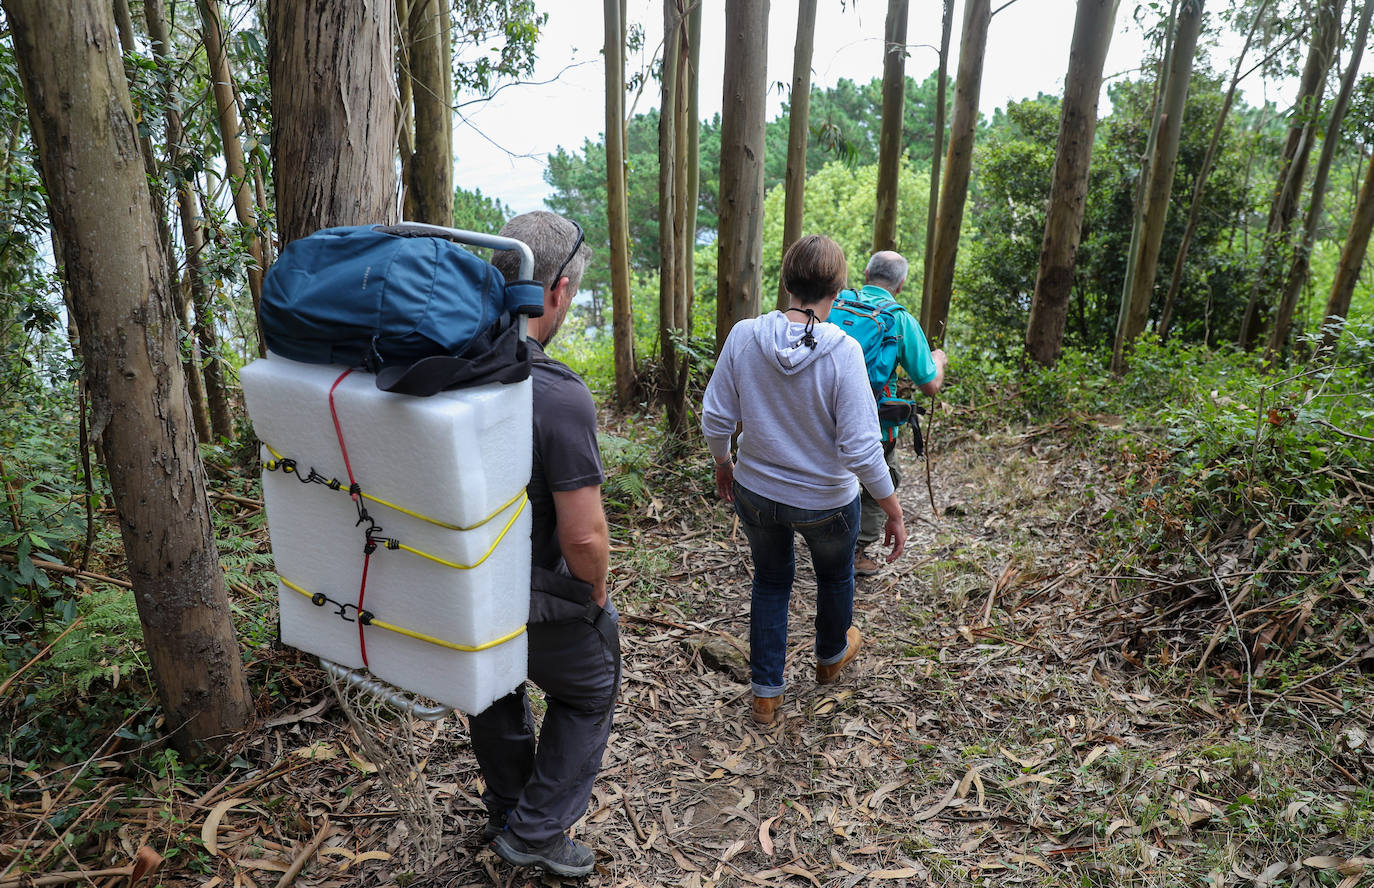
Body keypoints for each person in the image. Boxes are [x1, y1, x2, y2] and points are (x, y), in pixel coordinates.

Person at [701, 235, 906, 727]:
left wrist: (723, 462)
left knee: (771, 582)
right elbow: (860, 448)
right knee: (835, 575)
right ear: (839, 288)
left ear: (787, 282)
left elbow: (715, 417)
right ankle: (831, 657)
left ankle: (766, 696)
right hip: (827, 503)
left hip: (757, 492)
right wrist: (893, 509)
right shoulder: (843, 350)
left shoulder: (744, 336)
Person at [472, 211, 619, 878]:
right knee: (591, 684)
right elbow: (583, 534)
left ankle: (507, 806)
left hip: (446, 585)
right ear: (555, 291)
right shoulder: (556, 395)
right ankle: (533, 830)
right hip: (522, 590)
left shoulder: (437, 362)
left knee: (494, 685)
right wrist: (594, 588)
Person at [848, 251, 947, 577]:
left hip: (823, 414)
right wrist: (939, 359)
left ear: (865, 272)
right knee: (883, 482)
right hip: (875, 423)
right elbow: (930, 385)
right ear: (901, 284)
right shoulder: (901, 319)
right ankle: (856, 550)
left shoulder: (838, 302)